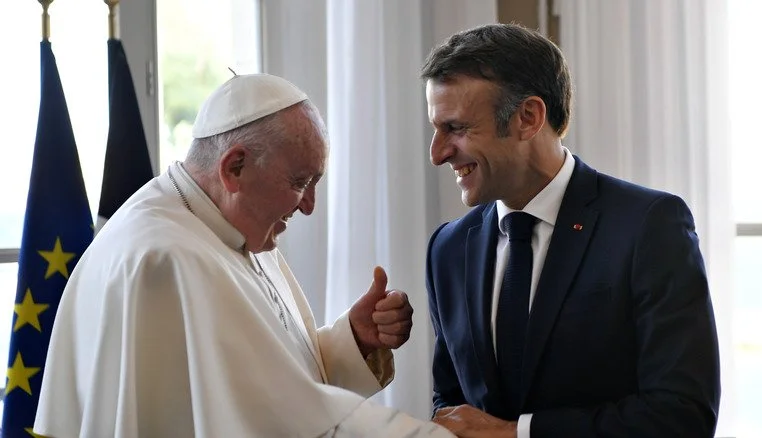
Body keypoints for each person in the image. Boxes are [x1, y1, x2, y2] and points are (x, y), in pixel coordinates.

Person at [34, 74, 454, 438]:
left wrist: (353, 340)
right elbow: (284, 421)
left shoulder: (232, 225)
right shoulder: (165, 258)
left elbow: (270, 385)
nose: (308, 205)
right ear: (234, 168)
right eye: (300, 181)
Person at [423, 24, 720, 437]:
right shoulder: (447, 248)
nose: (437, 153)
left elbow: (683, 415)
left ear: (528, 117)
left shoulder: (650, 226)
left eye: (456, 128)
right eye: (436, 128)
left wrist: (516, 434)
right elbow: (453, 410)